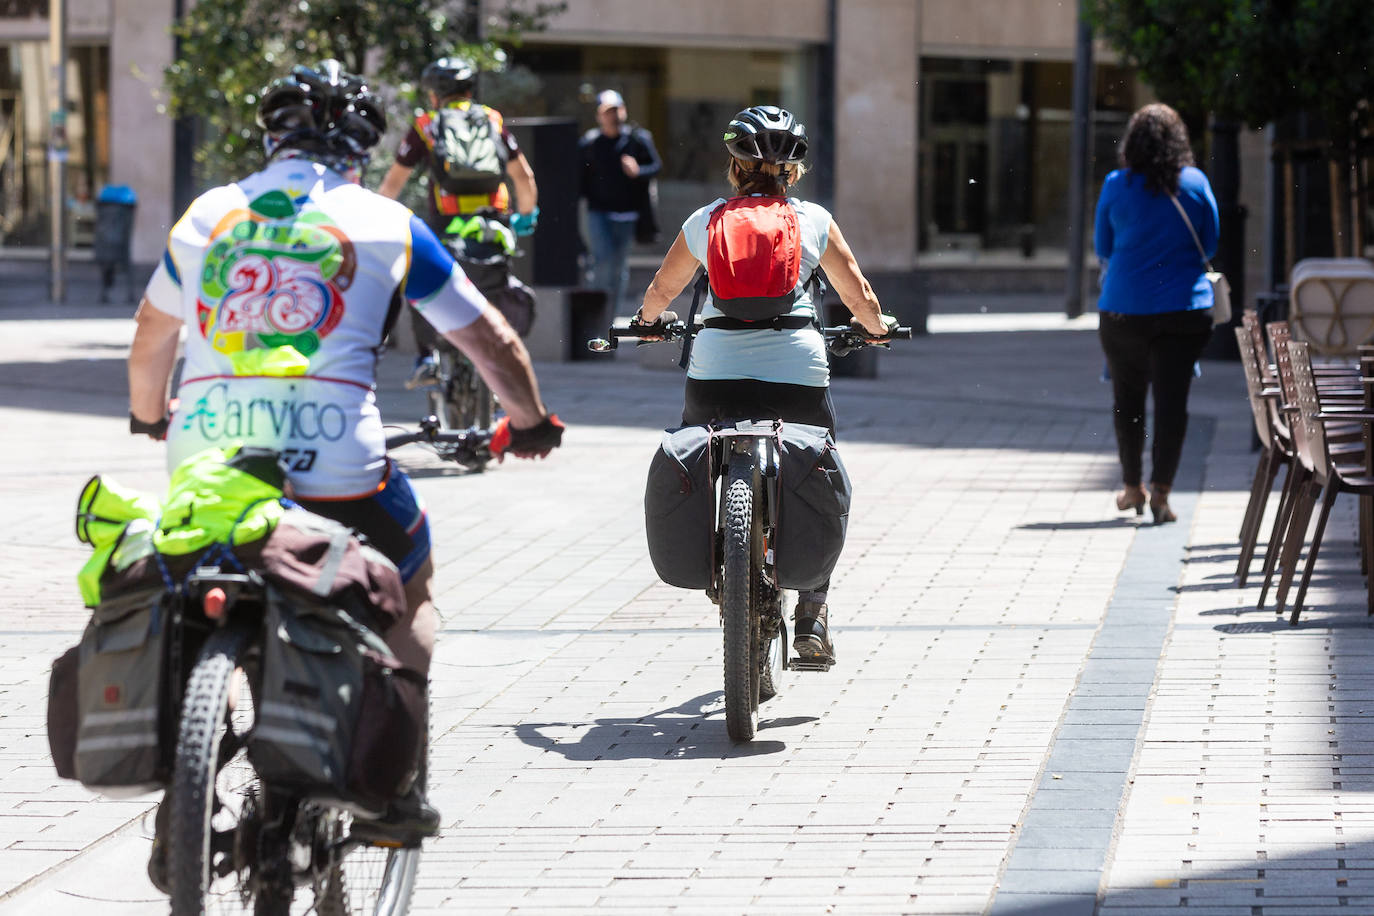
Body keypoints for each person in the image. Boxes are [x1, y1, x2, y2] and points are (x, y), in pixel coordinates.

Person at [126, 61, 564, 860]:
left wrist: (149, 416)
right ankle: (393, 792)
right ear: (361, 148)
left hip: (209, 459)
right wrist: (530, 421)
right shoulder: (387, 222)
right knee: (412, 589)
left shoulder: (206, 217)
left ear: (270, 137)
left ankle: (183, 791)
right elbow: (490, 341)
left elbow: (151, 338)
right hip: (341, 469)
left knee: (196, 589)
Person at [631, 105, 895, 666]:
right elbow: (860, 298)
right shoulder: (814, 221)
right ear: (792, 171)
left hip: (715, 372)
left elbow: (661, 291)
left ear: (735, 163)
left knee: (700, 452)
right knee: (817, 463)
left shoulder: (706, 220)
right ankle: (812, 613)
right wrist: (878, 330)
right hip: (797, 370)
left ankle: (720, 572)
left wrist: (647, 324)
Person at [378, 56, 539, 387]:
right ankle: (503, 363)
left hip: (446, 226)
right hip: (493, 224)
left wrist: (379, 219)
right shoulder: (492, 120)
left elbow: (393, 184)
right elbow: (523, 177)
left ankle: (427, 357)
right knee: (496, 283)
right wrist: (526, 215)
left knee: (420, 279)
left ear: (435, 95)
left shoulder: (426, 125)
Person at [1094, 102, 1219, 525]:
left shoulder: (1115, 184)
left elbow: (1103, 248)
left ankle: (1133, 488)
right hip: (1184, 312)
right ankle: (1163, 493)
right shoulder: (1197, 183)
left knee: (1127, 400)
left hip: (1123, 310)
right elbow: (1212, 243)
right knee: (1172, 403)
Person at [579, 89, 662, 318]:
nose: (612, 116)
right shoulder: (590, 143)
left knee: (618, 267)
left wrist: (638, 170)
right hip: (598, 213)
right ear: (599, 115)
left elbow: (656, 167)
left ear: (624, 111)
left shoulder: (637, 139)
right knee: (602, 262)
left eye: (616, 110)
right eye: (607, 112)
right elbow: (579, 179)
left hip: (628, 215)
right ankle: (594, 316)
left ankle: (610, 317)